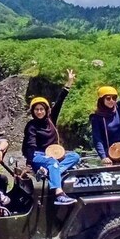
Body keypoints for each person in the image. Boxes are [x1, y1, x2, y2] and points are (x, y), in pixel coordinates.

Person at [22, 69, 81, 205]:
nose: (39, 112)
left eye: (42, 109)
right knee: (53, 162)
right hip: (37, 155)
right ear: (33, 111)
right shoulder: (31, 126)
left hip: (53, 154)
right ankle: (59, 194)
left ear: (46, 110)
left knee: (75, 157)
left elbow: (59, 101)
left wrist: (69, 82)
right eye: (36, 109)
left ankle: (49, 173)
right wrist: (30, 162)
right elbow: (29, 146)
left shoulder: (50, 120)